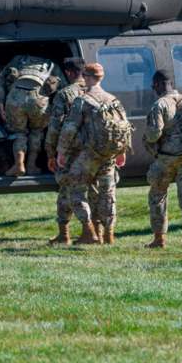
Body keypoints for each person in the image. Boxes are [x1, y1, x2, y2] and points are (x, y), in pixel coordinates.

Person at [56, 62, 129, 245]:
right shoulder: (114, 100)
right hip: (109, 155)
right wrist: (122, 151)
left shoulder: (83, 101)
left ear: (87, 77)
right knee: (107, 193)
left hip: (89, 154)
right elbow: (125, 127)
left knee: (75, 187)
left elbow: (69, 129)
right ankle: (108, 234)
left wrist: (61, 152)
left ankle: (88, 230)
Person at [143, 69, 182, 249]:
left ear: (159, 84)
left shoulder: (160, 105)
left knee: (157, 195)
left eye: (154, 86)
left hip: (167, 158)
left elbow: (153, 135)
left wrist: (147, 138)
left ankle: (159, 238)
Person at [0, 55, 63, 176]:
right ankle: (32, 166)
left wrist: (1, 104)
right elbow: (62, 88)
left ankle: (19, 164)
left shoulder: (17, 59)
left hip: (16, 97)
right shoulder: (51, 64)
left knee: (19, 132)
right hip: (39, 99)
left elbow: (0, 81)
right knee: (37, 131)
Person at [45, 57, 87, 245]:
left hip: (71, 152)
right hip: (94, 151)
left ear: (69, 73)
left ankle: (67, 233)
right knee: (94, 191)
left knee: (66, 191)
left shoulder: (65, 95)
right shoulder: (95, 91)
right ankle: (101, 232)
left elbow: (55, 127)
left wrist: (50, 153)